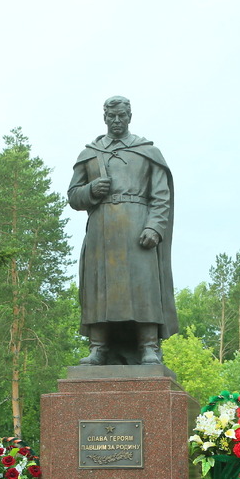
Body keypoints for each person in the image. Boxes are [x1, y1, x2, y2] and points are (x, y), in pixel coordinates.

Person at [68, 96, 177, 366]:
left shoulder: (147, 151)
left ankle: (148, 347)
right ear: (104, 117)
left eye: (122, 116)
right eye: (112, 116)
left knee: (144, 287)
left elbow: (161, 195)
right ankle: (99, 348)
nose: (117, 121)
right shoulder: (90, 153)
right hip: (101, 230)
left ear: (130, 117)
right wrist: (91, 190)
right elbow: (73, 196)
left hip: (137, 227)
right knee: (99, 289)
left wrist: (154, 226)